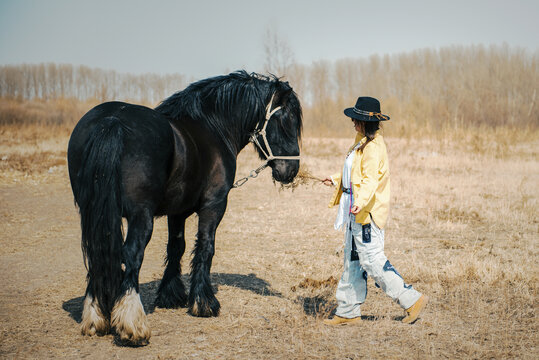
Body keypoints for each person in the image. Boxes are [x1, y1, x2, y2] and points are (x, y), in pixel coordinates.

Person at [322, 96, 428, 325]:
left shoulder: (374, 147)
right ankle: (348, 311)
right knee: (352, 260)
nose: (353, 122)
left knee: (372, 260)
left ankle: (412, 300)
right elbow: (356, 174)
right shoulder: (361, 142)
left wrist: (360, 202)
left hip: (366, 214)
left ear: (366, 123)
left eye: (357, 120)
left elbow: (370, 181)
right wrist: (336, 179)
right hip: (354, 211)